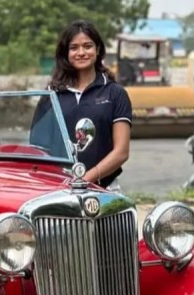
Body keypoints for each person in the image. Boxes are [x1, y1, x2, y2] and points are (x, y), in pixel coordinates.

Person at [49, 20, 133, 191]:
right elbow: (41, 147)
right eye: (74, 48)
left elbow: (121, 151)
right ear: (66, 53)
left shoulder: (115, 93)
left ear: (98, 50)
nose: (81, 52)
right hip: (58, 189)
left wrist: (86, 179)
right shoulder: (52, 94)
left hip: (104, 189)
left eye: (87, 46)